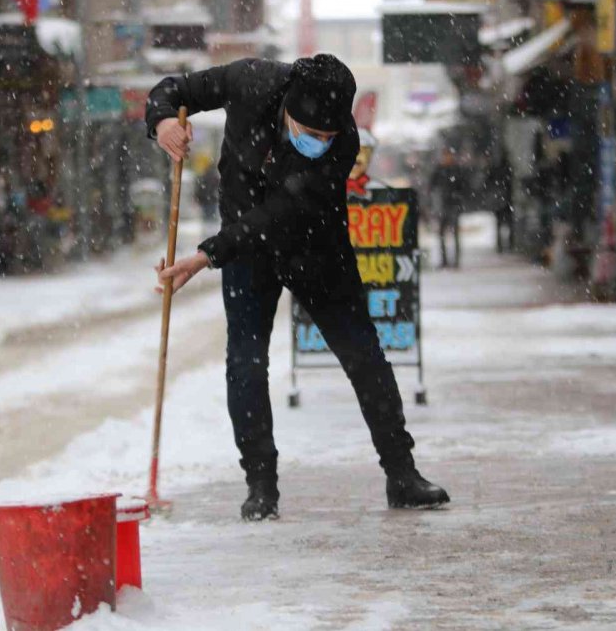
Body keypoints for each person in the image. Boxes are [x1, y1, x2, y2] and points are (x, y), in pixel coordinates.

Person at [146, 54, 449, 520]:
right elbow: (174, 88)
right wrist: (164, 119)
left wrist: (208, 254)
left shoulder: (342, 144)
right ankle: (261, 486)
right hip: (246, 251)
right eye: (310, 134)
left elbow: (283, 211)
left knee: (364, 355)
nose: (320, 144)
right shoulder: (249, 82)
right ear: (287, 106)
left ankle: (402, 474)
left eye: (328, 136)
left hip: (315, 247)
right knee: (245, 360)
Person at [428, 145, 471, 269]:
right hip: (442, 205)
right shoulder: (439, 170)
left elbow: (464, 187)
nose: (447, 158)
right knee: (442, 234)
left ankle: (455, 261)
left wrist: (459, 197)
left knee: (454, 233)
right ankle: (444, 260)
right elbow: (432, 186)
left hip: (454, 205)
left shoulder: (456, 170)